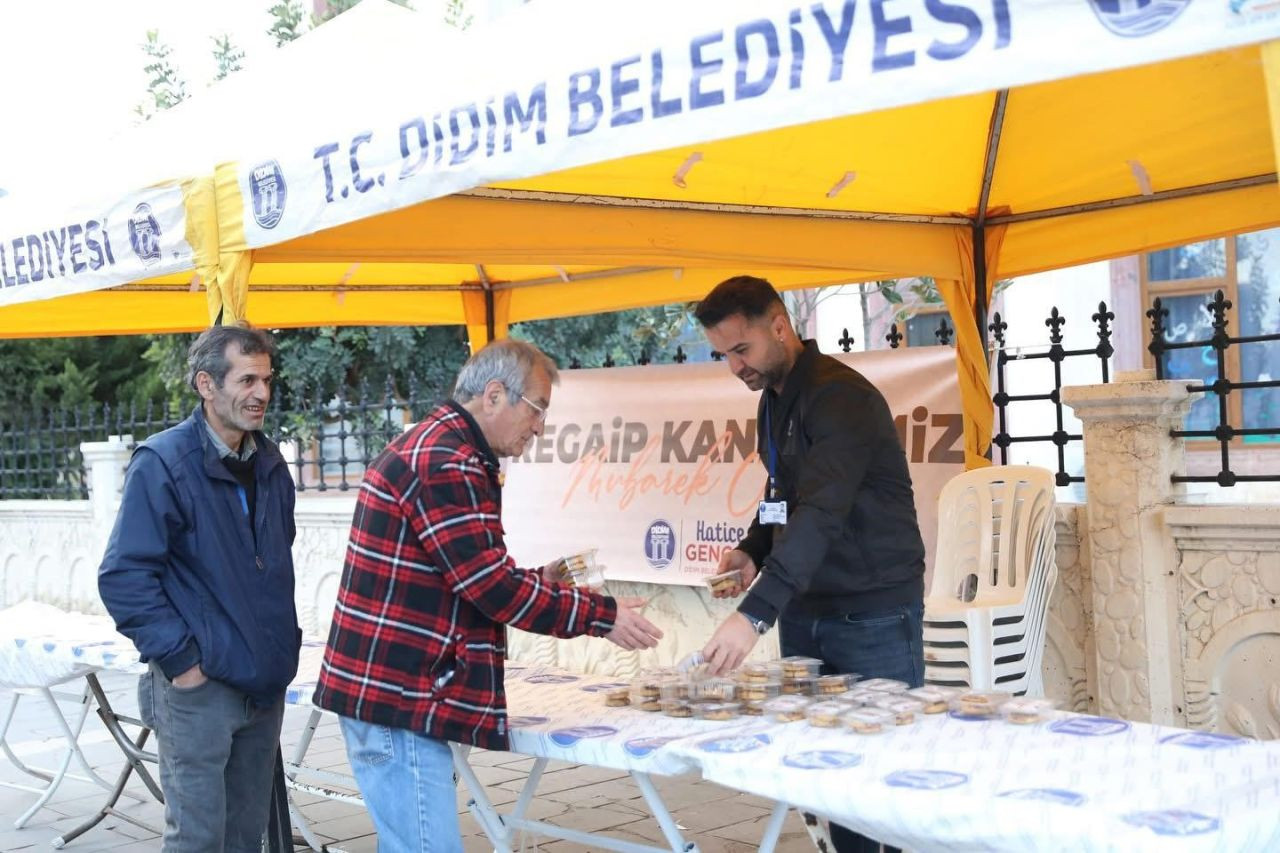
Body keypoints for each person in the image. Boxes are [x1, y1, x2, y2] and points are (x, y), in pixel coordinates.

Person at [314, 338, 663, 852]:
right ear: (495, 395)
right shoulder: (446, 460)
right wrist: (600, 616)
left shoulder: (443, 449)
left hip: (397, 693)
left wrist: (541, 583)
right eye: (538, 408)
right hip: (400, 697)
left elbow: (470, 575)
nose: (541, 426)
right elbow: (490, 587)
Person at [695, 276, 926, 853]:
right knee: (831, 778)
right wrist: (753, 551)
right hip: (807, 610)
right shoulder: (774, 403)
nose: (734, 368)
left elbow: (823, 511)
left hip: (871, 614)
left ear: (780, 327)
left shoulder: (840, 398)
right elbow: (785, 498)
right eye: (722, 355)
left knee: (882, 780)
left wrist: (753, 617)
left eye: (741, 350)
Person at [99, 324, 301, 852]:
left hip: (263, 684)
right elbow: (124, 576)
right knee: (198, 839)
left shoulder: (272, 464)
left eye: (267, 380)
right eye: (247, 379)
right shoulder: (164, 462)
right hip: (200, 689)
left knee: (244, 836)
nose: (261, 393)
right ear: (206, 385)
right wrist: (183, 663)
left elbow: (273, 564)